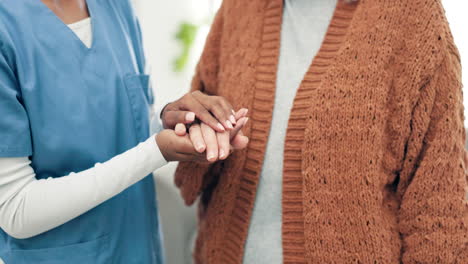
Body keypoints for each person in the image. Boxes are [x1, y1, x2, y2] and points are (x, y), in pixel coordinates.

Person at [173, 0, 468, 263]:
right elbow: (190, 178)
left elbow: (441, 208)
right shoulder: (237, 9)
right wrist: (196, 138)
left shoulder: (413, 14)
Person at [0, 0, 248, 263]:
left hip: (140, 251)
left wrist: (175, 122)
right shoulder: (7, 26)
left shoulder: (116, 7)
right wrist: (156, 150)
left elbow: (126, 129)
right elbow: (15, 209)